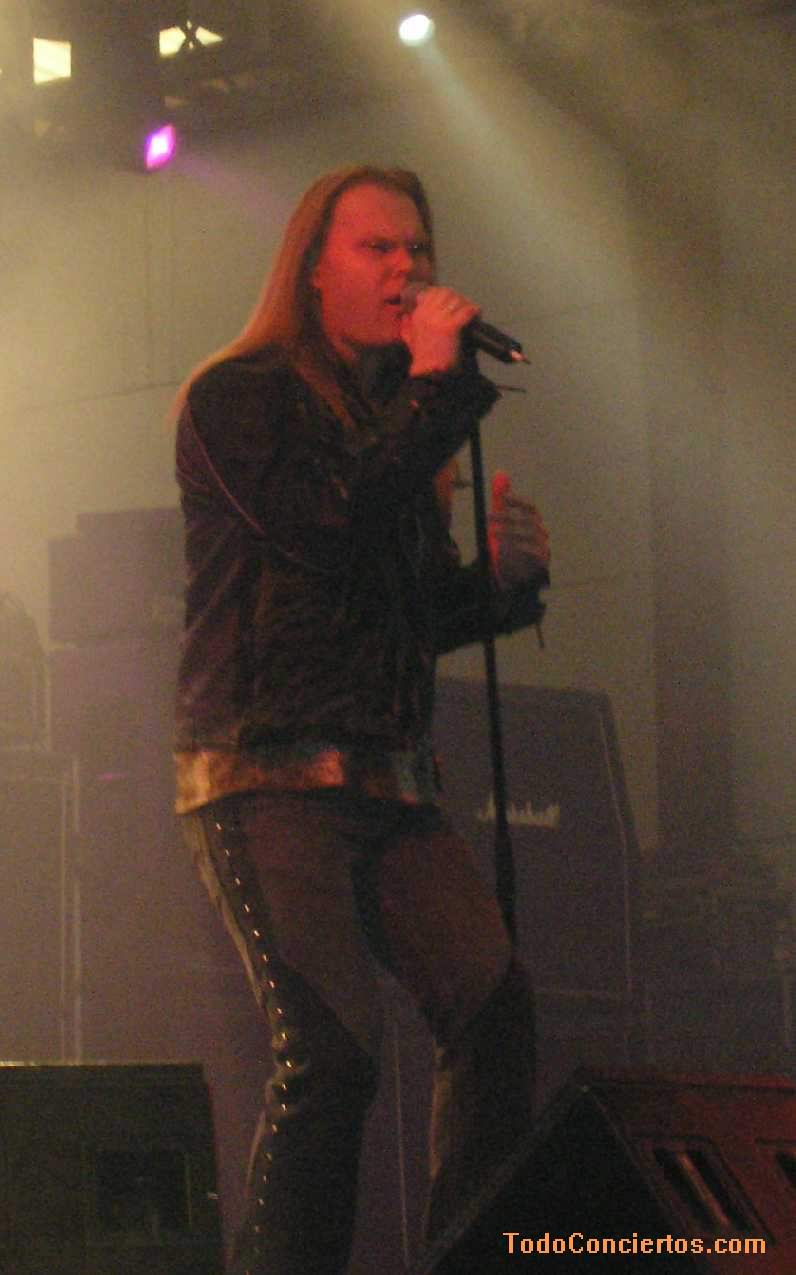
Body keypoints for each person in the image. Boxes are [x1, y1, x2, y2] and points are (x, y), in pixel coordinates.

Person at [173, 164, 550, 1275]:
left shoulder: (397, 423)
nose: (407, 269)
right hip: (266, 774)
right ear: (312, 268)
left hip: (392, 782)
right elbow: (324, 527)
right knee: (331, 1059)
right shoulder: (239, 397)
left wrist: (501, 586)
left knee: (494, 1015)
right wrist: (434, 397)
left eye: (418, 249)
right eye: (378, 248)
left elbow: (404, 613)